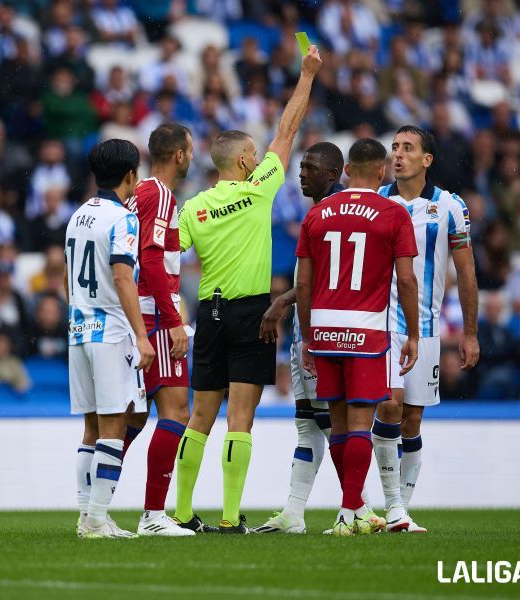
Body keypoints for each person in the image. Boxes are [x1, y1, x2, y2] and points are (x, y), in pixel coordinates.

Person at [172, 45, 322, 534]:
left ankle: (181, 512)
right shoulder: (258, 189)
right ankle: (231, 516)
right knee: (240, 419)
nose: (260, 158)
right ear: (242, 160)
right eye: (253, 155)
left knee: (199, 417)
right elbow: (288, 129)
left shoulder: (193, 208)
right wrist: (307, 75)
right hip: (252, 313)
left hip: (208, 313)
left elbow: (169, 256)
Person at [295, 137, 420, 536]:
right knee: (361, 426)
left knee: (338, 423)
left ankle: (353, 511)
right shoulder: (393, 213)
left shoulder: (318, 213)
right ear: (382, 171)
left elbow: (303, 282)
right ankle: (350, 512)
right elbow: (406, 279)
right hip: (366, 330)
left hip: (325, 329)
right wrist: (414, 333)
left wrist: (305, 335)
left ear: (347, 170)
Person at [253, 141, 379, 534]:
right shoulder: (323, 210)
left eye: (308, 167)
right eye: (301, 167)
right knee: (309, 422)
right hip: (308, 331)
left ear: (331, 173)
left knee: (330, 423)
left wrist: (282, 303)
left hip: (322, 335)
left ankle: (359, 507)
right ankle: (295, 512)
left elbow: (324, 280)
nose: (300, 173)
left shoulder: (330, 212)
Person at [372, 126, 480, 533]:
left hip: (427, 328)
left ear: (427, 160)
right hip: (379, 324)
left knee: (412, 422)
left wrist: (470, 332)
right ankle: (392, 505)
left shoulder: (449, 206)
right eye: (395, 148)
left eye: (408, 148)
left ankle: (401, 510)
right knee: (389, 407)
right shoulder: (377, 202)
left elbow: (466, 272)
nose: (398, 155)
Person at [67, 138, 155, 539]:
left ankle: (87, 516)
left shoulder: (79, 214)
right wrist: (142, 335)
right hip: (111, 329)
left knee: (91, 426)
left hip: (78, 328)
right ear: (130, 175)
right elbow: (122, 276)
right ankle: (98, 519)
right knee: (112, 425)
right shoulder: (124, 219)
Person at [123, 123, 196, 537]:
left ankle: (96, 504)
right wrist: (174, 323)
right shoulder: (162, 195)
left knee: (133, 416)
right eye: (190, 149)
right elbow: (152, 262)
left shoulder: (138, 195)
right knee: (176, 412)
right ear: (179, 155)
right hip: (152, 315)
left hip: (136, 313)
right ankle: (153, 515)